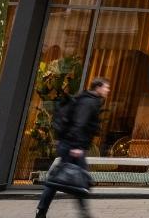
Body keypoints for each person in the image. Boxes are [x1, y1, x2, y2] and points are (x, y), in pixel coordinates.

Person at [36, 77, 110, 218]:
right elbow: (79, 123)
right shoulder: (89, 102)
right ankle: (81, 213)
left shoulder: (86, 99)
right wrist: (76, 146)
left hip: (70, 144)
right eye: (106, 87)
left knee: (63, 179)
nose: (108, 90)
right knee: (73, 179)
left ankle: (42, 211)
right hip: (73, 146)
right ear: (98, 87)